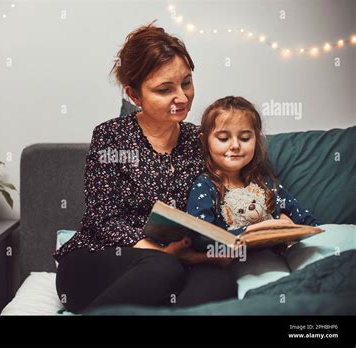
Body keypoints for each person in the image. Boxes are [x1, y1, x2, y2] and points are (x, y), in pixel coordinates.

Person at [53, 22, 237, 314]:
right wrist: (164, 253)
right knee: (163, 268)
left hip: (179, 260)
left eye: (186, 83)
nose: (182, 97)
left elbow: (221, 201)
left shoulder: (199, 139)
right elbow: (104, 220)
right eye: (165, 89)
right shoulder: (110, 136)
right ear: (134, 95)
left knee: (220, 283)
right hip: (97, 261)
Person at [186, 96, 318, 237]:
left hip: (279, 253)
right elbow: (200, 237)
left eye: (245, 138)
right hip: (238, 256)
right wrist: (255, 229)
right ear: (205, 141)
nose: (235, 146)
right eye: (224, 138)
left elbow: (306, 220)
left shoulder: (265, 183)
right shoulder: (205, 186)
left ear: (256, 139)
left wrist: (291, 226)